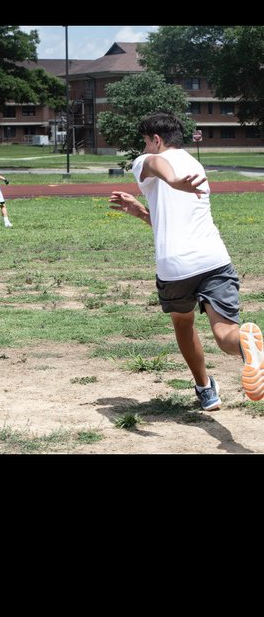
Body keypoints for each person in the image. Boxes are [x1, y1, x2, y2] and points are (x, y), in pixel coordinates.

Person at [109, 111, 264, 409]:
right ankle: (247, 348)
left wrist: (173, 181)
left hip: (175, 268)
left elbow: (156, 164)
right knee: (225, 333)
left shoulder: (147, 161)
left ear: (156, 140)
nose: (144, 148)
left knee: (183, 323)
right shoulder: (195, 165)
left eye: (145, 141)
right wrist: (140, 212)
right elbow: (171, 218)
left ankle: (205, 388)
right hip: (214, 259)